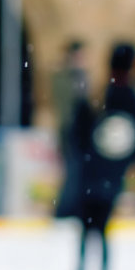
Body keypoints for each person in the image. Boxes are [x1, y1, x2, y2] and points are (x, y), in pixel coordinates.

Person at [70, 43, 135, 270]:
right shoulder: (128, 97)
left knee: (88, 225)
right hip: (109, 173)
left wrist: (86, 153)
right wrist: (126, 159)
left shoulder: (100, 95)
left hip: (92, 169)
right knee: (102, 226)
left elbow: (77, 132)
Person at [53, 40, 89, 219]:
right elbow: (67, 106)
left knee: (77, 171)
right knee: (72, 170)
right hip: (70, 130)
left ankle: (72, 208)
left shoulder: (81, 76)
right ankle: (64, 210)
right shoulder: (64, 77)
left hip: (80, 130)